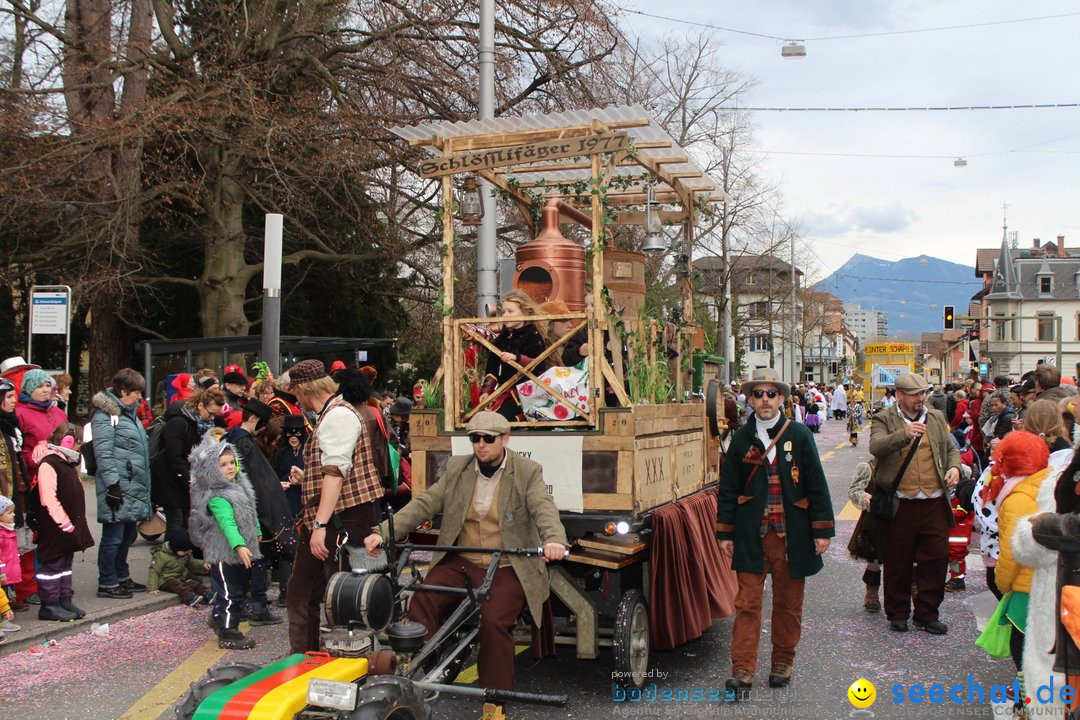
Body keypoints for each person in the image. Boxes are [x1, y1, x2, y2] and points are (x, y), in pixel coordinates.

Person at [363, 411, 568, 703]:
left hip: (508, 565)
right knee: (422, 598)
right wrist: (383, 532)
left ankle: (496, 700)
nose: (481, 444)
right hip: (464, 560)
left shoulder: (527, 471)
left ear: (505, 439)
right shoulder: (458, 468)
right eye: (474, 438)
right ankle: (431, 665)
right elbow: (425, 502)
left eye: (488, 438)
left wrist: (554, 540)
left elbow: (543, 507)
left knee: (494, 622)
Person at [716, 368, 835, 696]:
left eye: (771, 394)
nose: (765, 400)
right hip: (751, 536)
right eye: (758, 394)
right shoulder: (740, 438)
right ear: (750, 399)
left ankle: (783, 661)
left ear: (782, 398)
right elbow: (728, 490)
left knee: (788, 603)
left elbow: (816, 484)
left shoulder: (799, 435)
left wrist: (821, 529)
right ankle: (742, 669)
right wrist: (725, 533)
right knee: (747, 604)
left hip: (791, 536)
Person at [285, 360, 385, 654]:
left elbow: (336, 473)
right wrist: (309, 479)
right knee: (310, 593)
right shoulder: (337, 412)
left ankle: (340, 663)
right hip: (341, 516)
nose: (295, 399)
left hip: (339, 520)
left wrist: (319, 526)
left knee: (343, 600)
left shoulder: (337, 416)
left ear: (303, 388)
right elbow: (335, 470)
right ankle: (306, 659)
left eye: (295, 393)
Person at [869, 372, 960, 634]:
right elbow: (876, 447)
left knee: (936, 559)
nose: (921, 399)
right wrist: (903, 434)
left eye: (923, 394)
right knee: (898, 561)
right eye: (914, 395)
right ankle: (898, 613)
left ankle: (927, 613)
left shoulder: (936, 417)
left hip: (933, 501)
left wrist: (954, 467)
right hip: (901, 503)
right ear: (900, 396)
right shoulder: (884, 418)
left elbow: (951, 449)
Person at [991, 431, 1052, 701]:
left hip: (1026, 586)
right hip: (1051, 583)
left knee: (1023, 646)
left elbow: (1012, 552)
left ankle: (1026, 697)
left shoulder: (1016, 497)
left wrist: (1002, 583)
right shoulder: (1049, 483)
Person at [188, 432, 262, 649]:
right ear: (212, 469)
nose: (230, 467)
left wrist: (255, 531)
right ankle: (228, 631)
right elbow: (227, 524)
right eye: (223, 464)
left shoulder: (239, 488)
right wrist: (239, 545)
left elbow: (250, 513)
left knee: (238, 589)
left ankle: (221, 621)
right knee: (230, 593)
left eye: (232, 462)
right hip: (224, 553)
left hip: (240, 552)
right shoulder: (218, 497)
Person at [91, 369, 152, 600]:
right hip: (118, 486)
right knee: (113, 536)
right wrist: (113, 485)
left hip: (132, 485)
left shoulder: (129, 413)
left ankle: (121, 574)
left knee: (127, 535)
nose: (140, 398)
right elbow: (104, 454)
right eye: (136, 393)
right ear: (123, 391)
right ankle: (107, 581)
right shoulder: (105, 415)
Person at [32, 424, 94, 620]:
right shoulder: (49, 463)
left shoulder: (65, 462)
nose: (79, 446)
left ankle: (64, 599)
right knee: (53, 565)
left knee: (65, 563)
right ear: (66, 441)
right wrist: (64, 522)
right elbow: (48, 498)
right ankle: (49, 604)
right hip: (56, 526)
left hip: (67, 525)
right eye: (77, 442)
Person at [156, 386, 226, 532]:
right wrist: (190, 480)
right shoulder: (178, 423)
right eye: (211, 414)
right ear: (201, 405)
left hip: (189, 481)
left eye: (215, 415)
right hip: (172, 480)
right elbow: (173, 457)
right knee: (176, 523)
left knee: (187, 522)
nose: (212, 418)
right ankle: (170, 553)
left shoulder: (203, 425)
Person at [479, 289, 551, 422]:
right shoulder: (504, 336)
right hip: (504, 394)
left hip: (527, 397)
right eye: (504, 311)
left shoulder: (533, 336)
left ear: (525, 312)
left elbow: (538, 365)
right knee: (478, 418)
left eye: (510, 311)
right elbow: (492, 366)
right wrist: (486, 391)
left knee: (499, 420)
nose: (505, 315)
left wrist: (517, 358)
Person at [0, 378, 31, 611]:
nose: (14, 401)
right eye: (9, 397)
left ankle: (8, 599)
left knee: (10, 548)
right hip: (3, 491)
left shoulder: (11, 425)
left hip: (14, 492)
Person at [148, 528, 214, 606]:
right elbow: (154, 571)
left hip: (181, 576)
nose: (186, 552)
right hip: (166, 580)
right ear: (175, 548)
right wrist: (153, 588)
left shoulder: (186, 553)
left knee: (193, 582)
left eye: (187, 551)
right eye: (183, 551)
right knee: (177, 586)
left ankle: (207, 594)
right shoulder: (161, 555)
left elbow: (192, 563)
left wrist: (203, 564)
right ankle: (189, 597)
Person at [848, 460, 881, 613]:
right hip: (874, 521)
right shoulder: (868, 467)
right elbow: (855, 490)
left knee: (909, 557)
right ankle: (872, 594)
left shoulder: (910, 462)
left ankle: (913, 594)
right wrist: (865, 498)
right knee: (873, 557)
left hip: (902, 517)